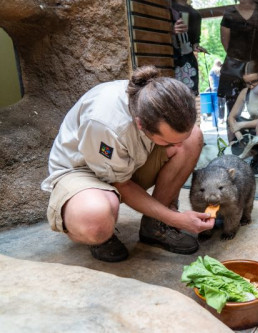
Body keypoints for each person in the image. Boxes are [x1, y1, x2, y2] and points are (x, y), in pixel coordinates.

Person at [41, 66, 215, 262]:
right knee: (96, 219)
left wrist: (165, 212)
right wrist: (175, 219)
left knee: (192, 139)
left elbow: (177, 141)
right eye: (168, 142)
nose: (175, 147)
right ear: (141, 125)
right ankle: (99, 234)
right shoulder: (106, 123)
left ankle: (154, 226)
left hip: (126, 163)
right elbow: (121, 184)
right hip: (82, 171)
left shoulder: (152, 98)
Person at [219, 0, 258, 142]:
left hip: (257, 66)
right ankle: (235, 144)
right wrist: (239, 59)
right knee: (232, 108)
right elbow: (226, 43)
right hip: (233, 66)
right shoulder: (229, 13)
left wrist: (254, 62)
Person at [171, 0, 208, 95]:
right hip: (169, 57)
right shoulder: (168, 7)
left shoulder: (195, 14)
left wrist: (196, 46)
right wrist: (171, 30)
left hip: (186, 59)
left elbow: (195, 41)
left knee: (188, 94)